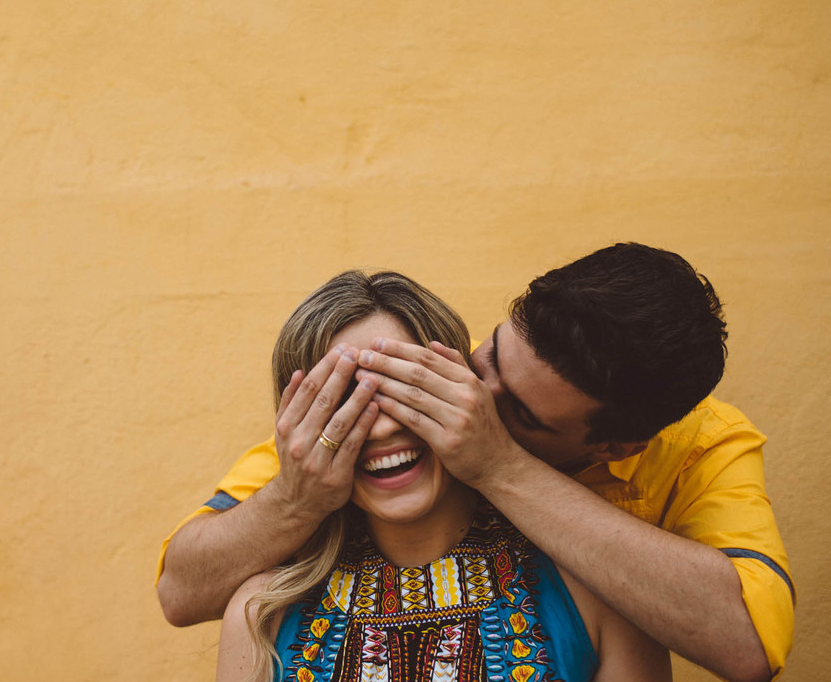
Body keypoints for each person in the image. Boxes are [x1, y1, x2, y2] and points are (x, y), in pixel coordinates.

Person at [158, 244, 793, 682]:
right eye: (485, 359)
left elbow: (747, 641)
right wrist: (298, 497)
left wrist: (498, 466)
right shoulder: (348, 434)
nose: (468, 406)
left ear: (614, 445)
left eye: (516, 412)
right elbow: (181, 589)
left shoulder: (696, 458)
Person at [214, 270, 669, 682]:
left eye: (405, 386)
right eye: (344, 400)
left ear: (466, 393)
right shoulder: (261, 615)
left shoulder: (601, 593)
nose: (384, 426)